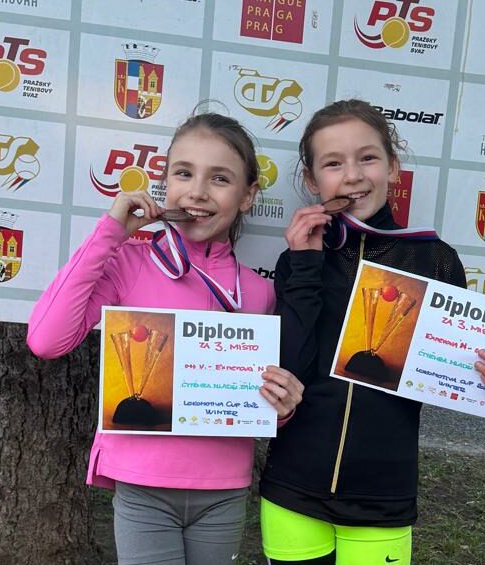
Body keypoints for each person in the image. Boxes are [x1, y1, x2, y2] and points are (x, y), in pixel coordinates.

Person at [259, 99, 485, 565]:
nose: (353, 176)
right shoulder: (299, 261)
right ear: (312, 180)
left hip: (382, 496)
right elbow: (289, 369)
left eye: (368, 158)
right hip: (292, 487)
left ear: (393, 167)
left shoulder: (434, 260)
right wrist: (306, 264)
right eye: (333, 163)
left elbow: (460, 371)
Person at [27, 112, 304, 565]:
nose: (197, 192)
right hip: (143, 487)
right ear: (165, 182)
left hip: (224, 489)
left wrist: (282, 408)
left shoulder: (258, 291)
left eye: (219, 178)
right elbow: (46, 340)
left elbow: (256, 402)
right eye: (184, 173)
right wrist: (111, 233)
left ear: (248, 196)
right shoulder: (129, 262)